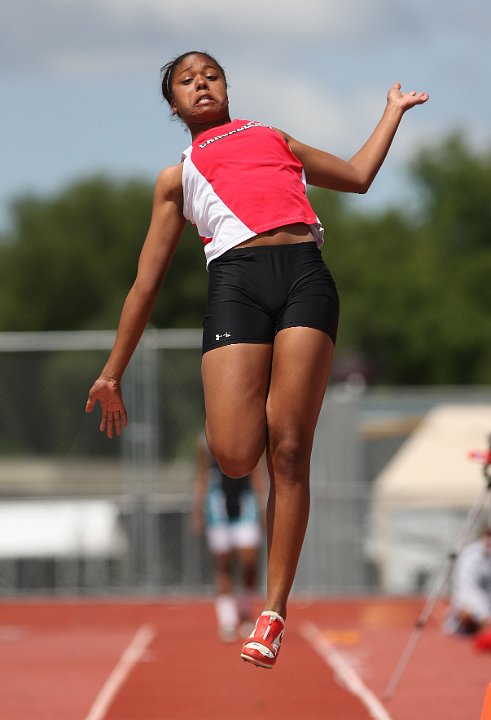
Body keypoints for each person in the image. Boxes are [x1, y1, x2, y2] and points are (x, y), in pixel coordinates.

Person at [85, 50, 429, 669]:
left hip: (304, 273)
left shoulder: (271, 136)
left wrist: (391, 112)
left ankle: (272, 612)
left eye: (210, 74)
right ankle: (260, 398)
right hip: (236, 283)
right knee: (237, 454)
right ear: (174, 106)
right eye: (187, 81)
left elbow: (356, 175)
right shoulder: (177, 176)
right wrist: (113, 370)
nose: (201, 84)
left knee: (290, 448)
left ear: (227, 85)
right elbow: (145, 285)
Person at [192, 433, 265, 642]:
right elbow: (203, 474)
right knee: (223, 562)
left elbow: (257, 473)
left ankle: (245, 610)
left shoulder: (251, 434)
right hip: (217, 502)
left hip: (245, 499)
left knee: (249, 559)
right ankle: (227, 619)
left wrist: (262, 506)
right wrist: (198, 508)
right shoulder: (204, 440)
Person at [446, 527, 491, 648]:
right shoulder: (470, 556)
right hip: (474, 609)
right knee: (467, 611)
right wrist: (485, 616)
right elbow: (468, 590)